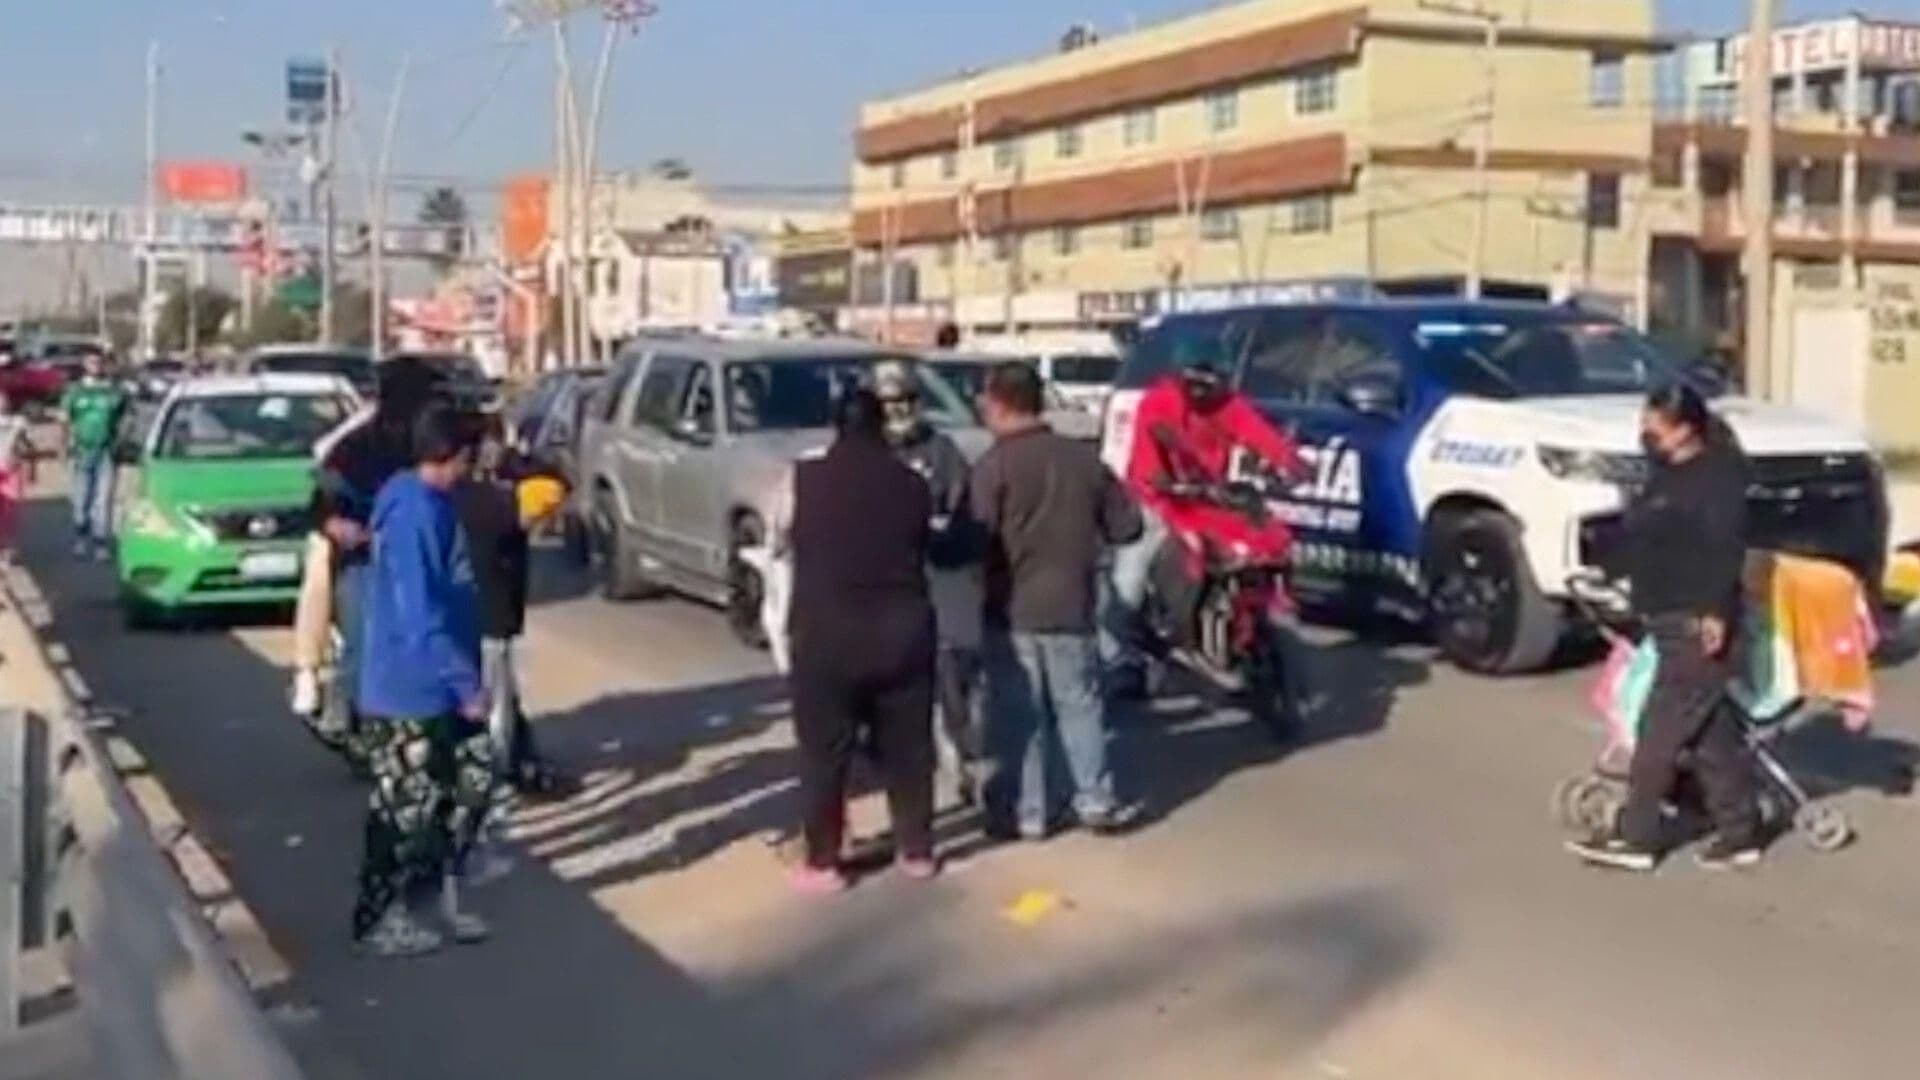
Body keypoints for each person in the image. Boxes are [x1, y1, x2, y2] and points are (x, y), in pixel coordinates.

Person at [1568, 383, 1762, 873]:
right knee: (1708, 726)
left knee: (1661, 728)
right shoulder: (1664, 473)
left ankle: (1636, 837)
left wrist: (1715, 610)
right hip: (1665, 608)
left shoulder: (1718, 479)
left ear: (1685, 430)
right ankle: (1740, 828)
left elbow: (1724, 550)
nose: (1646, 436)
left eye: (1656, 429)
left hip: (1697, 615)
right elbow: (1647, 532)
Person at [971, 362, 1144, 840]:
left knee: (1021, 715)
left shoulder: (994, 466)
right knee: (1080, 706)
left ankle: (1030, 814)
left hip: (1011, 609)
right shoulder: (1083, 460)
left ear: (1000, 404)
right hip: (1073, 603)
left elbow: (972, 539)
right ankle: (1096, 801)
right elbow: (1128, 527)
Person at [351, 404, 496, 957]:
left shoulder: (435, 504)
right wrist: (466, 684)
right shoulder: (413, 513)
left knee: (469, 784)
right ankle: (378, 916)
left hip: (443, 679)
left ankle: (434, 895)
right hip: (409, 684)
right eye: (469, 457)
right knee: (402, 805)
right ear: (451, 456)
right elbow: (419, 614)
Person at [784, 387, 943, 892]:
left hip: (825, 634)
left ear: (835, 427)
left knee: (824, 752)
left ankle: (824, 862)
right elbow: (925, 542)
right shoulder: (912, 484)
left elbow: (778, 537)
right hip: (902, 631)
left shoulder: (802, 480)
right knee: (908, 747)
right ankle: (916, 850)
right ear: (882, 427)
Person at [1101, 337, 1303, 699]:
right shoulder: (1157, 403)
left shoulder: (1229, 404)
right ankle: (1119, 659)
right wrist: (1162, 481)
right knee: (1127, 586)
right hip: (1159, 498)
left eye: (1210, 384)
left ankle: (1240, 623)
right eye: (1194, 383)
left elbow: (1260, 434)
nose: (1202, 392)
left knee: (1262, 541)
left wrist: (1291, 462)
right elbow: (1148, 460)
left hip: (1209, 497)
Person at [303, 359, 446, 756]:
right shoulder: (355, 447)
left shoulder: (437, 446)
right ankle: (351, 725)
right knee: (366, 649)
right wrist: (341, 528)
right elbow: (321, 507)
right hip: (364, 563)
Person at [873, 360, 985, 807]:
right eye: (889, 403)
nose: (899, 411)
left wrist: (945, 527)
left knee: (949, 677)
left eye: (906, 401)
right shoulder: (868, 453)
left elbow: (961, 507)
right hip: (884, 585)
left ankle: (961, 761)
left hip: (937, 580)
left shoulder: (942, 450)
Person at [453, 420, 572, 798]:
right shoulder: (495, 502)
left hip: (457, 616)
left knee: (482, 701)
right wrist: (512, 461)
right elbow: (555, 485)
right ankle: (497, 777)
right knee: (496, 705)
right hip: (493, 616)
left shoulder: (441, 497)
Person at [60, 348, 129, 561]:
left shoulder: (115, 391)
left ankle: (101, 543)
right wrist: (63, 447)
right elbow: (64, 420)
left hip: (106, 451)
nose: (95, 366)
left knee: (103, 499)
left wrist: (121, 442)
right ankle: (81, 538)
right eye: (91, 362)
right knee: (81, 498)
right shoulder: (75, 391)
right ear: (84, 364)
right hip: (82, 451)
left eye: (99, 362)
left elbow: (126, 419)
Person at [0, 392, 35, 563]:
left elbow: (29, 446)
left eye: (3, 400)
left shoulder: (18, 423)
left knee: (10, 511)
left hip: (12, 469)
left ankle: (8, 546)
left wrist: (31, 468)